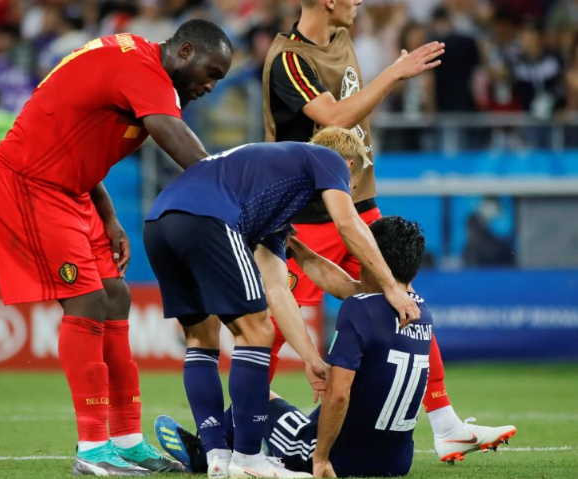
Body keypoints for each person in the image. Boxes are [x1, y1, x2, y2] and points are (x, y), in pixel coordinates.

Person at [0, 19, 233, 476]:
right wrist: (236, 190)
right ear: (185, 51)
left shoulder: (139, 67)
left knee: (116, 297)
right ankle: (93, 449)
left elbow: (74, 130)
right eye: (211, 72)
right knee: (88, 300)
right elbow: (172, 135)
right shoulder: (143, 70)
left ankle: (128, 440)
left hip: (72, 190)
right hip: (27, 183)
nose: (211, 86)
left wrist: (108, 213)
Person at [262, 0, 511, 462]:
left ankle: (447, 425)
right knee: (271, 328)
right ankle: (240, 434)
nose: (359, 2)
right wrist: (395, 74)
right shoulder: (289, 60)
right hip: (308, 213)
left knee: (405, 300)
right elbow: (334, 117)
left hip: (358, 202)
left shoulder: (342, 38)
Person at [143, 127, 421, 479]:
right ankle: (248, 458)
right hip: (208, 219)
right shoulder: (328, 157)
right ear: (349, 165)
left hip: (158, 222)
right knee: (257, 332)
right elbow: (348, 223)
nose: (352, 189)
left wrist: (311, 358)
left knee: (201, 338)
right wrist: (391, 286)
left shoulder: (271, 198)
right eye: (355, 182)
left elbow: (278, 289)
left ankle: (216, 455)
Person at [154, 217, 517, 477]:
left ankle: (210, 453)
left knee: (258, 394)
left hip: (340, 458)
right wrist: (293, 246)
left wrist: (320, 459)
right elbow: (339, 282)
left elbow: (338, 395)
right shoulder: (421, 311)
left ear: (372, 255)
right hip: (397, 463)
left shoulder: (358, 309)